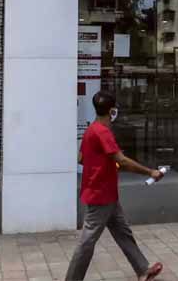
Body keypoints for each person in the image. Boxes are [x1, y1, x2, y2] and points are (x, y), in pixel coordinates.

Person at [66, 92, 165, 281]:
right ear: (112, 111)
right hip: (101, 195)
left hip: (106, 193)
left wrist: (104, 164)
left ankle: (143, 270)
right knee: (87, 242)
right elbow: (123, 161)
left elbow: (81, 158)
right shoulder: (103, 132)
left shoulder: (91, 129)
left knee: (123, 232)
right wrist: (150, 172)